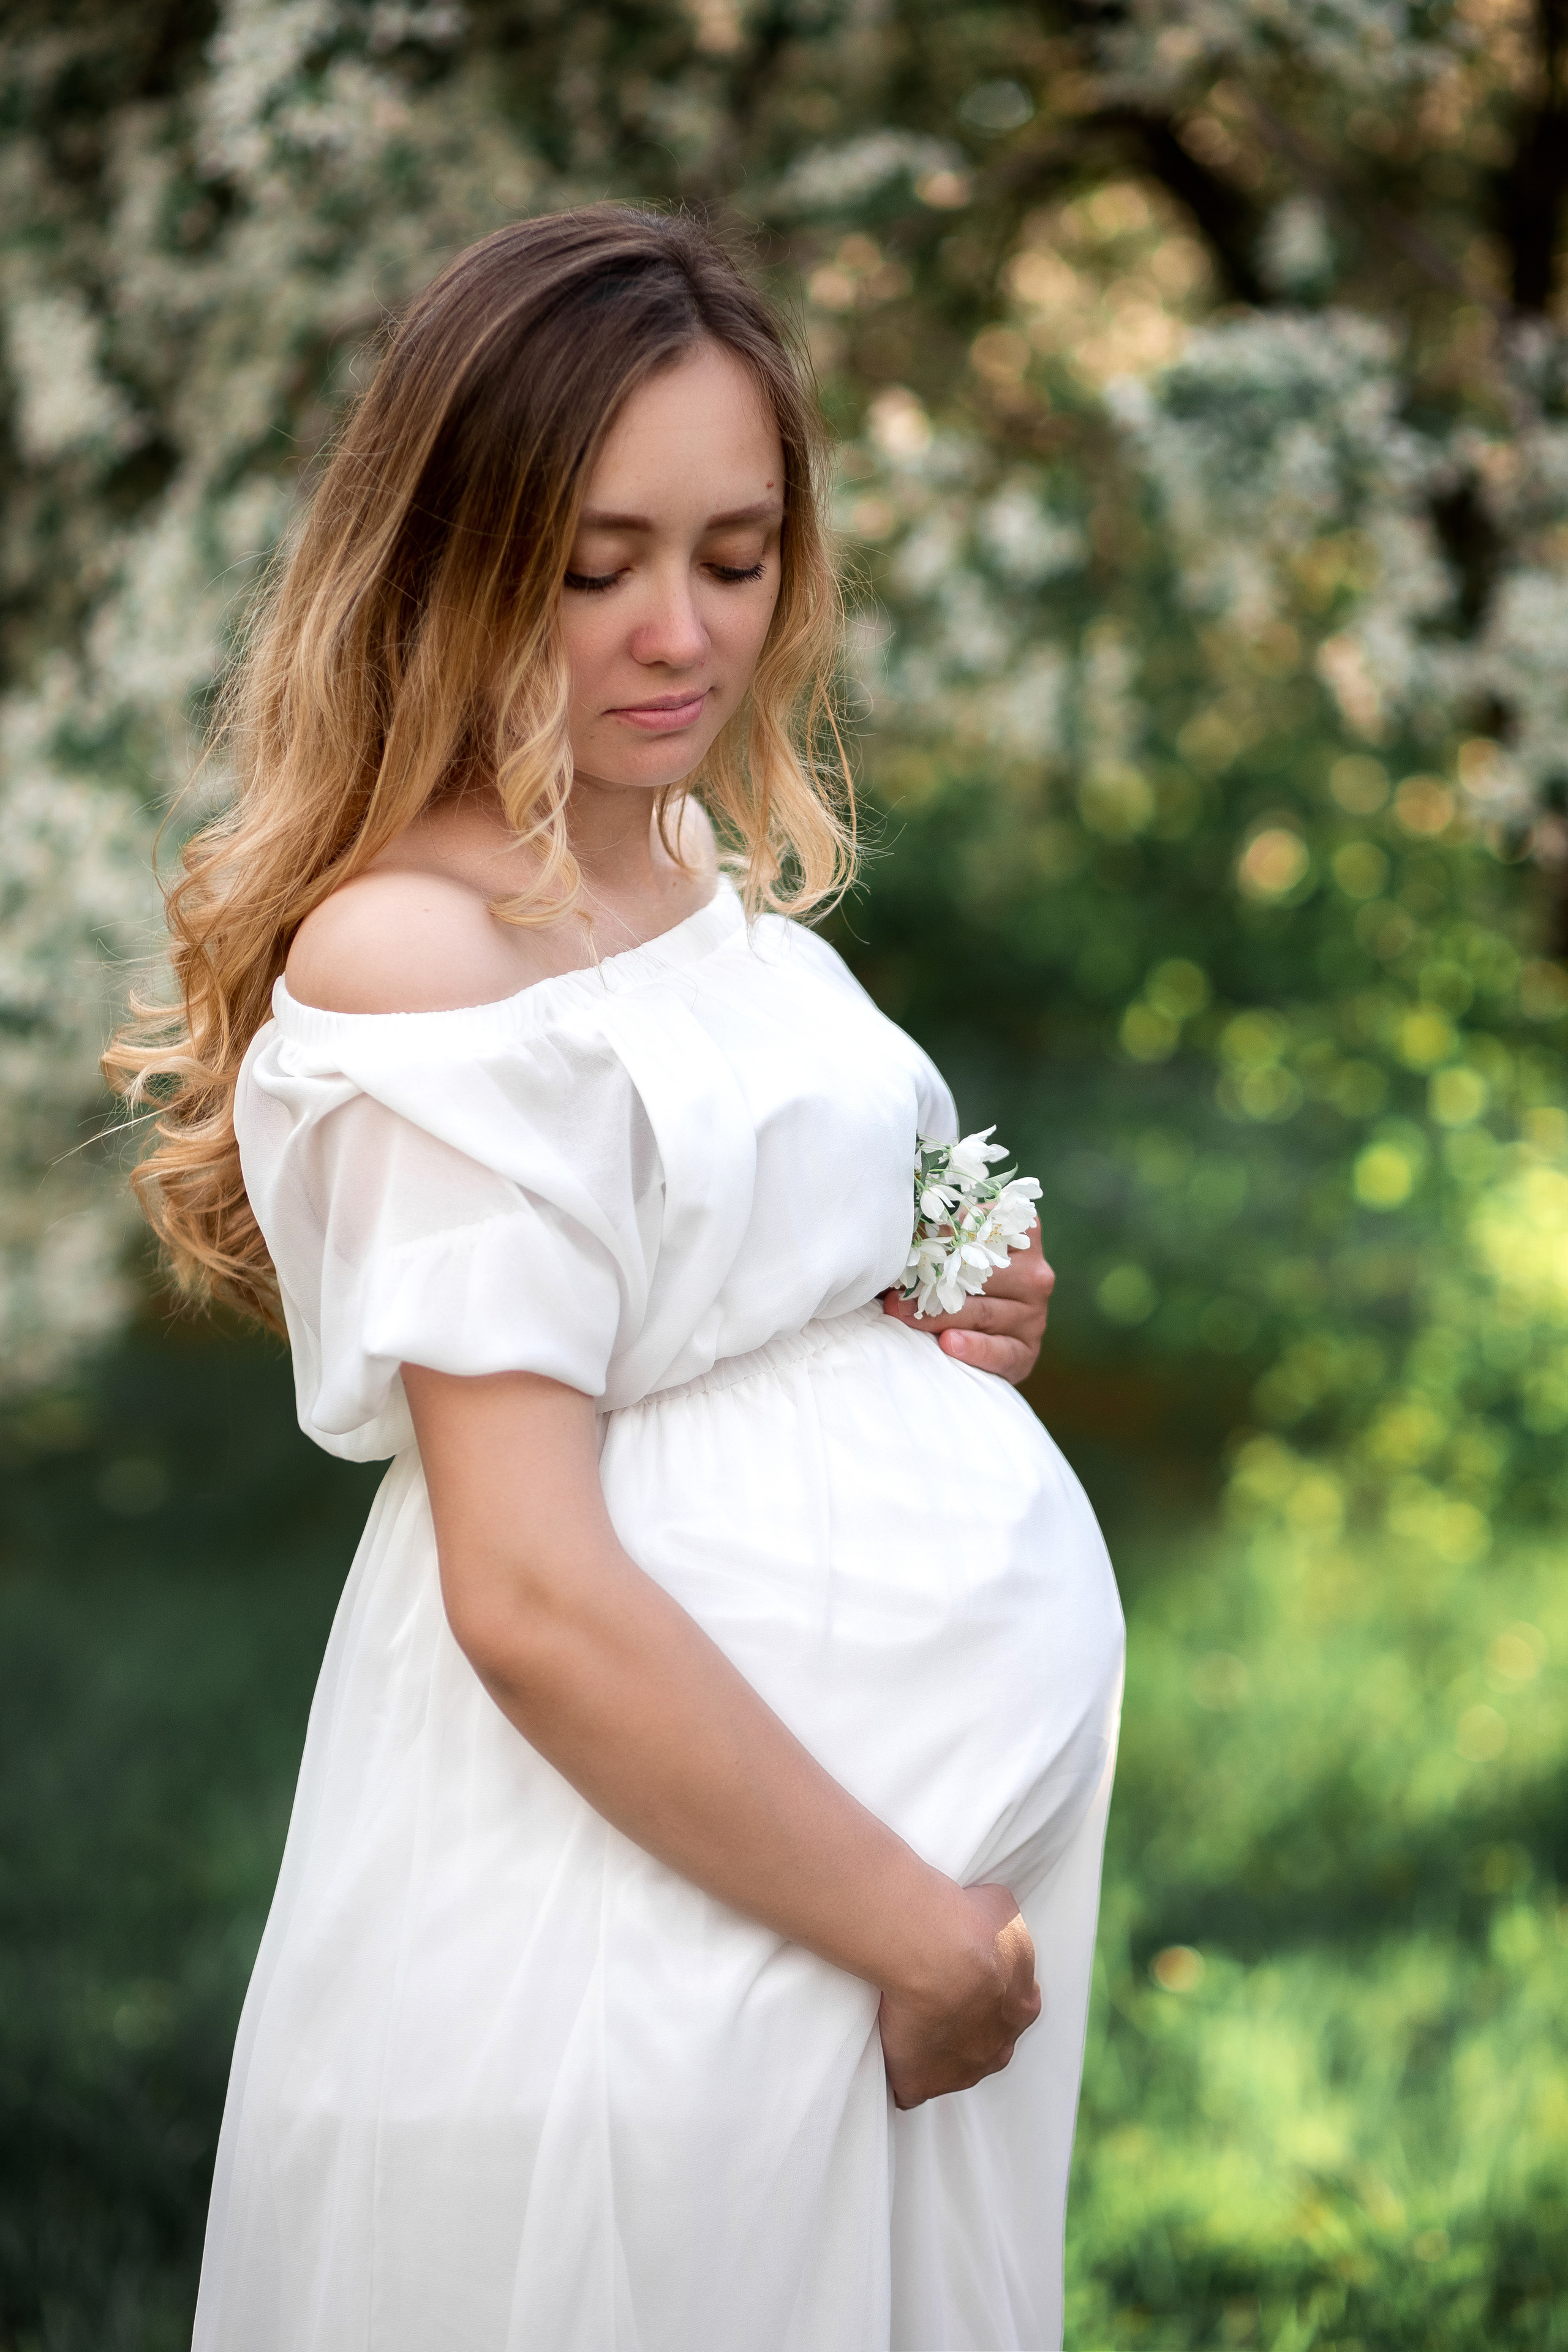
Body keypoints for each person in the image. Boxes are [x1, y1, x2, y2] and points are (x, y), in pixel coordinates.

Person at [108, 206, 1124, 2352]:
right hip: (649, 1906)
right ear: (454, 560)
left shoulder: (674, 864)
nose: (679, 632)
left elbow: (721, 1296)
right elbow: (534, 1592)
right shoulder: (422, 955)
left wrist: (935, 1335)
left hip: (833, 1899)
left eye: (736, 558)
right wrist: (913, 1934)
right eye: (595, 567)